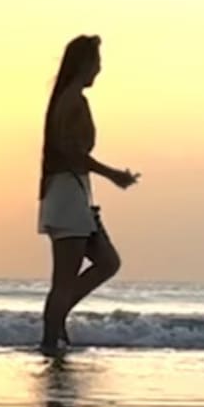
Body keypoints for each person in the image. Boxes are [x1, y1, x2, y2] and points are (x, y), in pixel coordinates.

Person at [37, 35, 139, 354]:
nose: (100, 69)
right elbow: (72, 153)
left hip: (74, 193)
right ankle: (50, 344)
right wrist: (114, 175)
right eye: (97, 62)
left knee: (107, 262)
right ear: (84, 64)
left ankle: (59, 317)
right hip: (67, 195)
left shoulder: (70, 99)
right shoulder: (72, 101)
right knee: (63, 282)